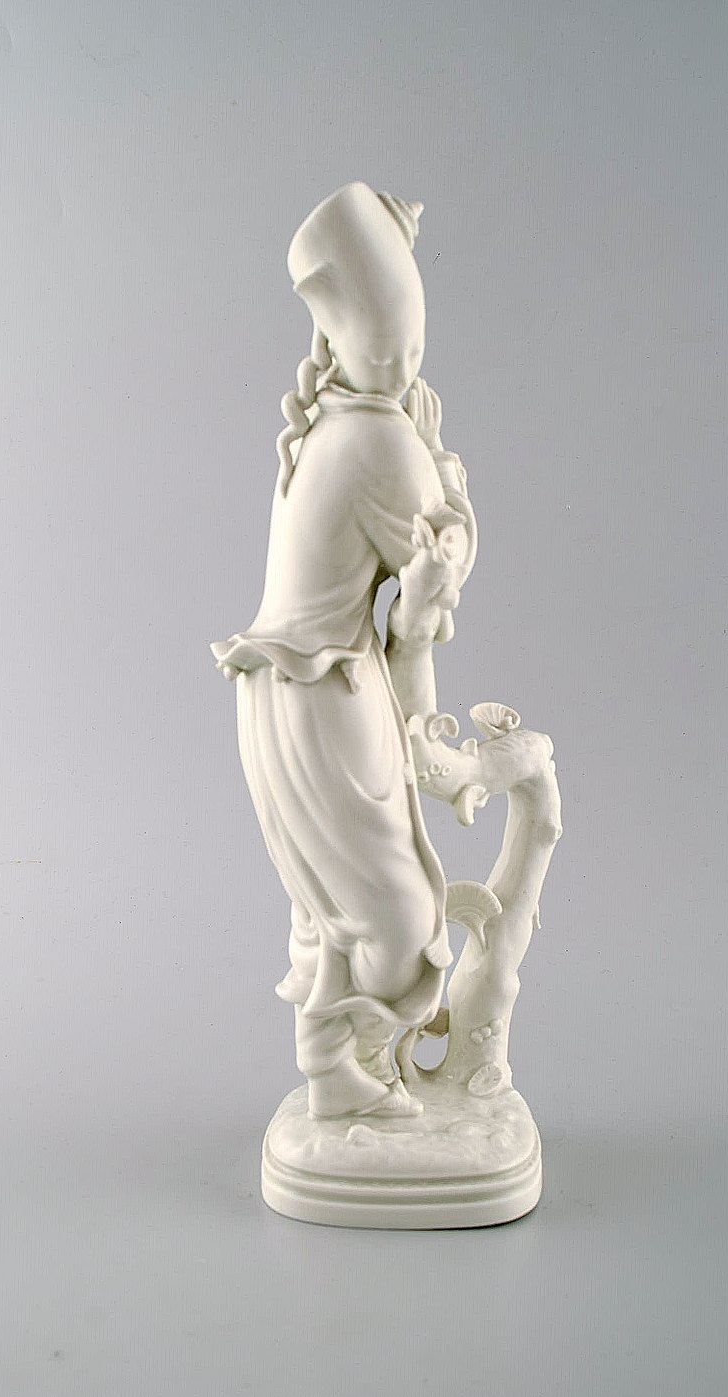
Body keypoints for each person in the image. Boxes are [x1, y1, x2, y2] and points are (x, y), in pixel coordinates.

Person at [212, 183, 476, 1118]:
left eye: (414, 349)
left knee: (333, 900)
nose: (404, 369)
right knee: (398, 916)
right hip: (325, 692)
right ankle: (346, 1072)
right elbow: (432, 579)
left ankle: (333, 1074)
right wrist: (443, 487)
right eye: (391, 351)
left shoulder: (325, 422)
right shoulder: (375, 438)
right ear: (343, 340)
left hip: (280, 688)